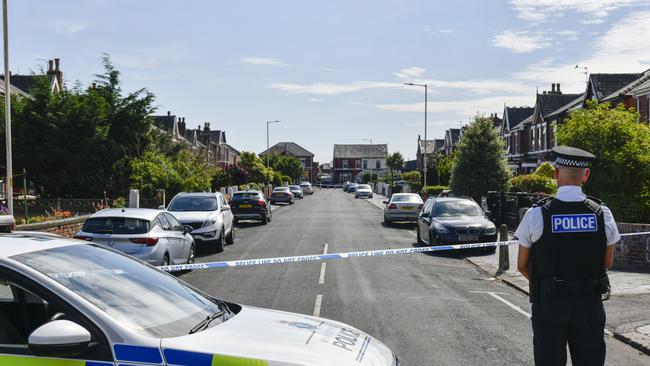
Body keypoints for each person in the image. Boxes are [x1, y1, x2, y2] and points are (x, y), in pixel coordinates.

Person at [515, 146, 620, 366]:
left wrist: (548, 284)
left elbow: (522, 266)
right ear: (586, 175)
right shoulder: (602, 213)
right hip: (589, 305)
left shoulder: (537, 214)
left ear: (555, 173)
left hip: (550, 305)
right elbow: (607, 263)